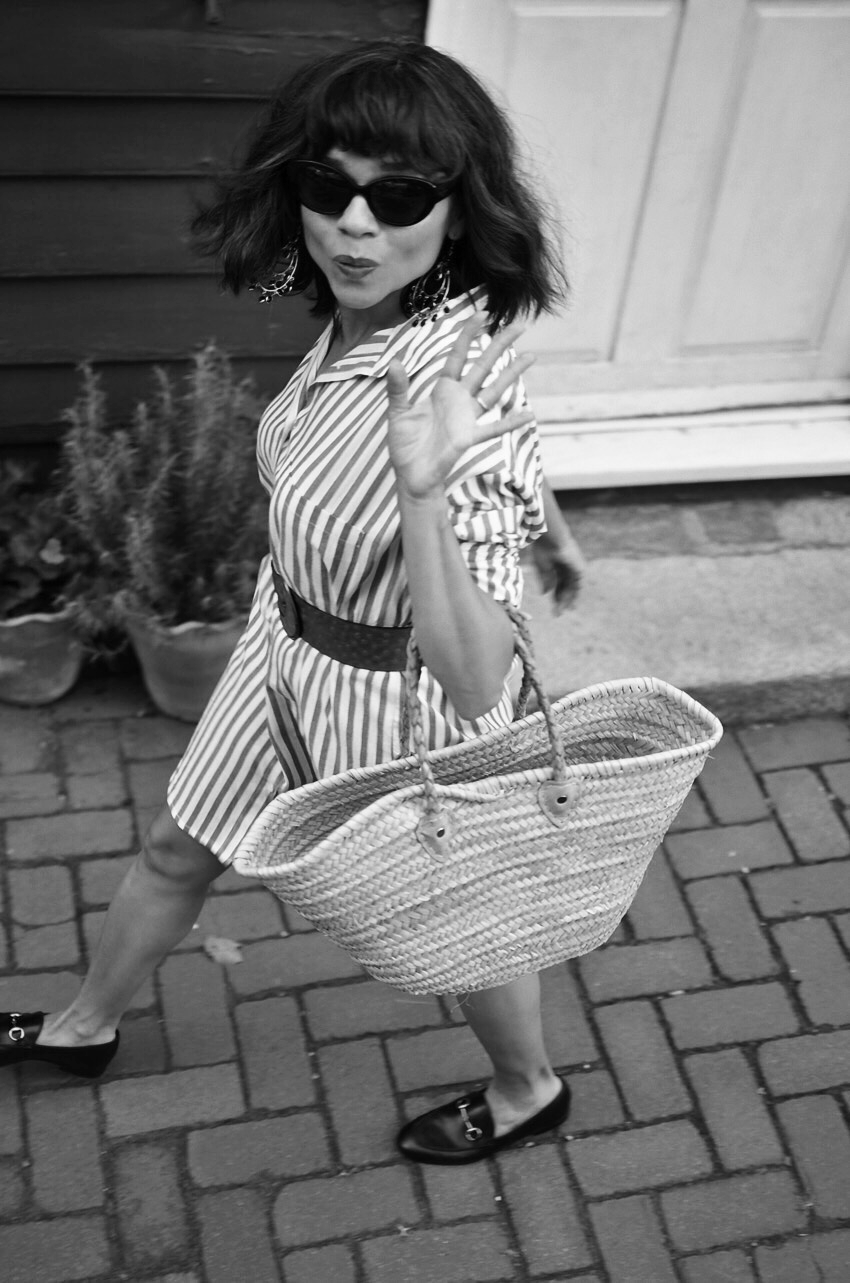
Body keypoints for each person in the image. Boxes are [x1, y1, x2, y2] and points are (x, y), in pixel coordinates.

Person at [1, 39, 580, 1165]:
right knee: (178, 843)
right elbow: (516, 467)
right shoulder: (371, 320)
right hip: (280, 648)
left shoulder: (452, 374)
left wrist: (427, 495)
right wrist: (553, 529)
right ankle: (82, 1027)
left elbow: (473, 677)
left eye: (398, 198)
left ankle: (530, 1087)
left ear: (458, 212)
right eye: (330, 187)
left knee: (457, 917)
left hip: (393, 703)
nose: (355, 227)